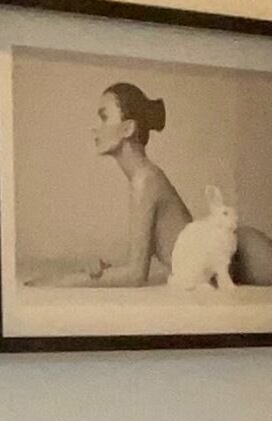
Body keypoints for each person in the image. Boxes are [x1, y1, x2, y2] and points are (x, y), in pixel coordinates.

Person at [79, 81, 192, 286]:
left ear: (128, 128)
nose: (94, 127)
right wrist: (104, 271)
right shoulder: (144, 177)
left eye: (104, 117)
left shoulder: (145, 180)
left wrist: (64, 281)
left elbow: (135, 275)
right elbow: (138, 262)